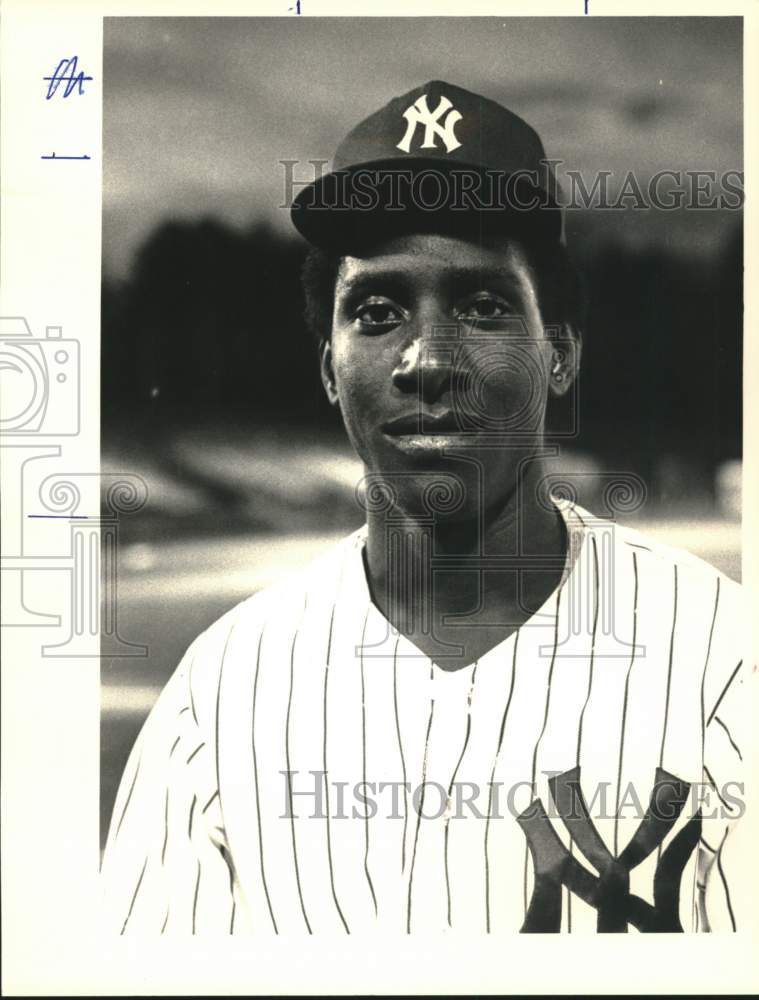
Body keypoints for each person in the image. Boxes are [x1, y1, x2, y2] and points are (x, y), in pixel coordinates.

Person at [102, 80, 749, 934]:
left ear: (560, 353)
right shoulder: (216, 699)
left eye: (482, 306)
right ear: (330, 367)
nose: (425, 360)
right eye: (375, 311)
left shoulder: (723, 665)